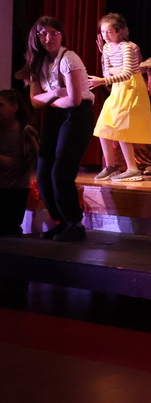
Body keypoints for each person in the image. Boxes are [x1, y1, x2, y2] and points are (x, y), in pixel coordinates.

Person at [16, 17, 95, 242]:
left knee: (61, 171)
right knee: (42, 174)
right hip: (55, 113)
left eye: (54, 32)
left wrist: (47, 98)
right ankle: (62, 222)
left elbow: (74, 100)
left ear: (62, 35)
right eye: (43, 33)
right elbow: (34, 101)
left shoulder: (68, 58)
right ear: (36, 37)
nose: (48, 37)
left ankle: (75, 224)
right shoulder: (36, 62)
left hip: (76, 116)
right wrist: (52, 94)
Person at [89, 13, 151, 182]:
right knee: (103, 126)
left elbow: (127, 74)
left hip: (132, 88)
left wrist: (105, 79)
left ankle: (133, 169)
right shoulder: (107, 48)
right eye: (103, 32)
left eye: (109, 32)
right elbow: (107, 69)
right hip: (118, 88)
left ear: (120, 32)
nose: (106, 36)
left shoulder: (128, 47)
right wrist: (110, 71)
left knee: (122, 128)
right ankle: (111, 166)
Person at [0, 90, 40, 236]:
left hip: (17, 187)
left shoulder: (25, 130)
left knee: (12, 228)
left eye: (1, 106)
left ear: (14, 107)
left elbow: (38, 155)